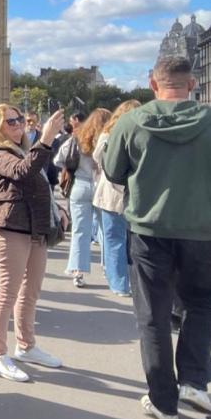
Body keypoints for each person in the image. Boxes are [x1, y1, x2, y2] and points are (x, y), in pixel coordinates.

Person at [103, 56, 211, 419]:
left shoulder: (133, 121)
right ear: (192, 85)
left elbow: (114, 171)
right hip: (201, 229)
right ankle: (195, 382)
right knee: (202, 305)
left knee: (153, 314)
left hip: (149, 229)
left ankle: (163, 400)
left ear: (153, 84)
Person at [0, 104, 66, 382]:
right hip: (10, 227)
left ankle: (26, 345)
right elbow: (21, 172)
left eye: (19, 120)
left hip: (34, 228)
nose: (18, 124)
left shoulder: (23, 149)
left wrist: (58, 211)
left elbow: (41, 180)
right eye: (11, 121)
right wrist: (45, 140)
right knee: (7, 291)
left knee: (30, 291)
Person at [55, 108, 111, 288]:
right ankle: (108, 269)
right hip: (102, 185)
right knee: (105, 230)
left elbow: (58, 160)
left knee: (80, 231)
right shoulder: (109, 138)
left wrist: (72, 169)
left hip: (80, 184)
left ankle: (78, 272)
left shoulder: (77, 138)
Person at [92, 100, 140, 297]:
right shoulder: (139, 133)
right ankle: (126, 280)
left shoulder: (107, 134)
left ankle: (119, 283)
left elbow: (97, 158)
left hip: (111, 193)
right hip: (130, 193)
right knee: (128, 240)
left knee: (114, 240)